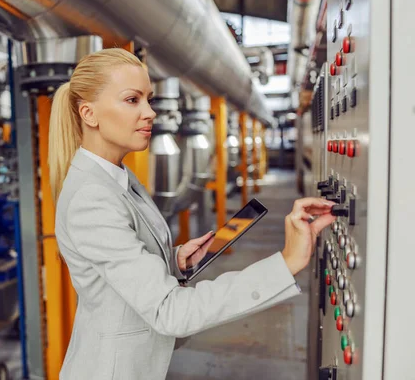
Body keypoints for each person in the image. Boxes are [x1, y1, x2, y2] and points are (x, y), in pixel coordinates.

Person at [47, 48, 335, 380]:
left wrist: (173, 260)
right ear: (89, 113)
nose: (150, 112)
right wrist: (285, 263)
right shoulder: (91, 197)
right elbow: (170, 312)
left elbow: (113, 271)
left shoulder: (116, 176)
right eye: (132, 100)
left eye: (149, 100)